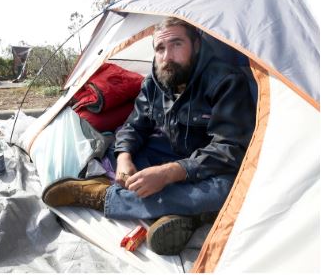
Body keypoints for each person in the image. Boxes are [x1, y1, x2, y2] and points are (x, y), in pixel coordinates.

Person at [43, 17, 256, 255]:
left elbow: (230, 148)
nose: (167, 57)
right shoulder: (154, 81)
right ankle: (184, 213)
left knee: (230, 192)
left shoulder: (225, 81)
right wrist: (124, 157)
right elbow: (134, 126)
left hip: (210, 167)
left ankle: (103, 196)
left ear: (196, 46)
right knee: (121, 156)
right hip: (168, 152)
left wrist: (169, 173)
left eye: (177, 44)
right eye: (160, 48)